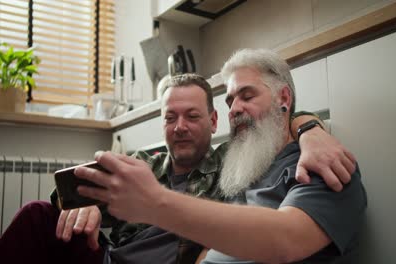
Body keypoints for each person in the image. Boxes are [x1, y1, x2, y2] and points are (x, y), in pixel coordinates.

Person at [0, 71, 356, 264]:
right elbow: (69, 192)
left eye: (192, 117)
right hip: (109, 259)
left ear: (213, 121)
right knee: (36, 215)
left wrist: (309, 129)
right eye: (170, 118)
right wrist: (84, 209)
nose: (179, 127)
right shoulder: (141, 165)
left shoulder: (235, 162)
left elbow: (274, 126)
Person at [75, 49, 367, 264]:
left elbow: (284, 240)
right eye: (230, 100)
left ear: (284, 98)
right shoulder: (238, 171)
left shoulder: (323, 165)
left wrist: (155, 203)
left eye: (247, 96)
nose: (235, 108)